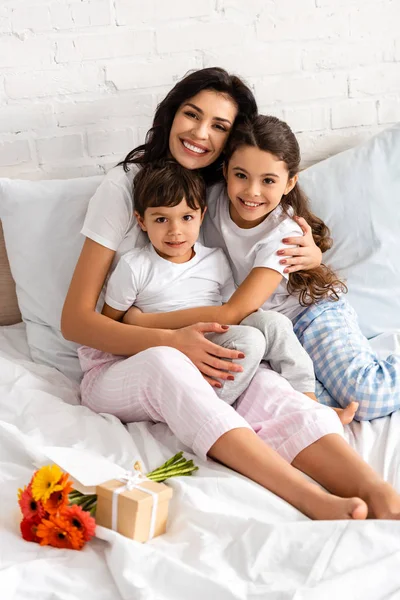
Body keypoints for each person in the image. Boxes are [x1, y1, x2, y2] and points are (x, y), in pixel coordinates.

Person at [62, 68, 400, 520]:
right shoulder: (123, 189)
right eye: (191, 114)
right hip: (122, 357)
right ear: (170, 114)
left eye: (219, 126)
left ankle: (377, 491)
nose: (201, 133)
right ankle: (312, 499)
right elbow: (76, 322)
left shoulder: (224, 187)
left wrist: (313, 255)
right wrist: (169, 339)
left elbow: (273, 215)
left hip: (204, 341)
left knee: (265, 383)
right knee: (169, 364)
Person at [127, 113, 400, 423]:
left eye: (268, 181)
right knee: (278, 402)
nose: (252, 192)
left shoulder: (283, 233)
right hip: (262, 333)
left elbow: (233, 312)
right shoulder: (205, 201)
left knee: (366, 398)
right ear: (226, 170)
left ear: (289, 183)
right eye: (241, 175)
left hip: (308, 317)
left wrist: (144, 322)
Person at [79, 157, 324, 407]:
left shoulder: (215, 259)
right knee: (250, 341)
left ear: (201, 215)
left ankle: (308, 399)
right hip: (167, 346)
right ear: (142, 221)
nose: (175, 231)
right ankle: (208, 407)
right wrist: (143, 328)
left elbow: (231, 311)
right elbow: (110, 323)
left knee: (275, 323)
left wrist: (139, 319)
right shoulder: (135, 266)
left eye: (186, 218)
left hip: (214, 334)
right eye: (161, 220)